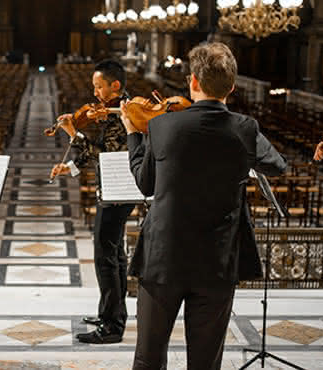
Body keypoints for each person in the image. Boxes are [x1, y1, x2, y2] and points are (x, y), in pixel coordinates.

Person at [120, 42, 287, 369]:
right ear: (232, 87)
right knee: (206, 361)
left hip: (164, 256)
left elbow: (145, 183)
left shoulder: (162, 125)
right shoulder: (245, 128)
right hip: (217, 259)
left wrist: (132, 135)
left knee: (149, 356)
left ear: (193, 81)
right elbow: (278, 165)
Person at [50, 59, 133, 344]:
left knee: (104, 256)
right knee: (115, 254)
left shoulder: (123, 114)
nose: (95, 93)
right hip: (114, 189)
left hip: (117, 191)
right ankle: (112, 313)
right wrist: (69, 168)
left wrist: (73, 132)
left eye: (99, 86)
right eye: (94, 86)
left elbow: (104, 155)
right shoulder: (111, 112)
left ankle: (111, 326)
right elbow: (92, 156)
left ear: (115, 86)